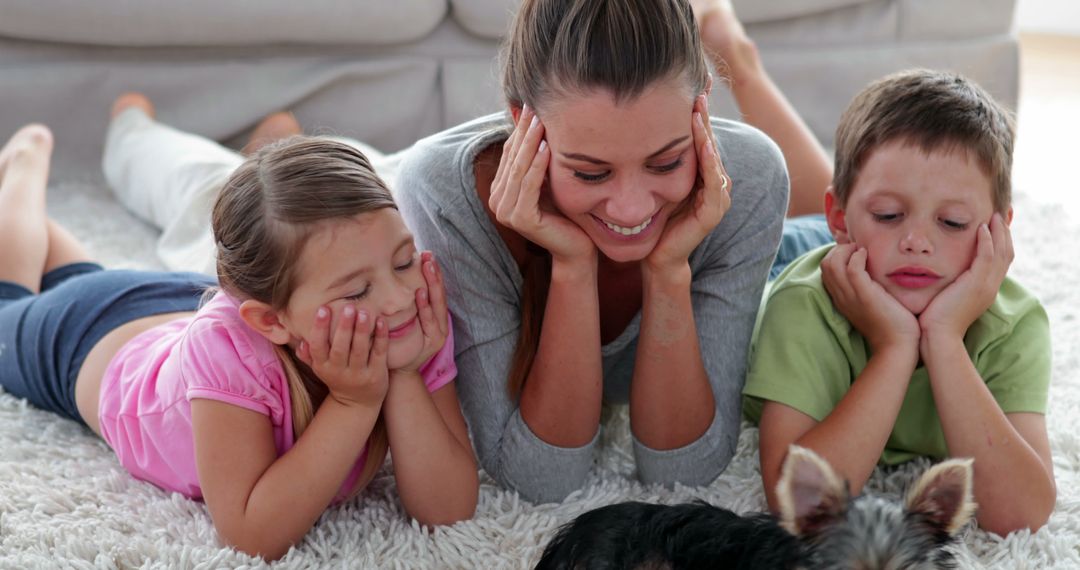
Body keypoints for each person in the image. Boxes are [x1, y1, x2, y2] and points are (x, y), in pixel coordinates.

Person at [100, 0, 834, 504]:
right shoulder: (448, 197)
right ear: (523, 124)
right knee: (201, 206)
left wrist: (668, 269)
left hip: (385, 190)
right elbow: (539, 477)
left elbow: (686, 466)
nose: (634, 208)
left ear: (703, 103)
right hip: (372, 223)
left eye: (666, 161)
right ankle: (135, 131)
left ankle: (280, 141)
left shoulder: (749, 177)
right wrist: (573, 264)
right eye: (589, 172)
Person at [0, 120, 478, 560]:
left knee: (79, 276)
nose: (399, 297)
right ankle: (27, 163)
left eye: (403, 260)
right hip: (88, 338)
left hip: (177, 308)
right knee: (10, 302)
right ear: (272, 322)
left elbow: (448, 509)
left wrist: (406, 374)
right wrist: (353, 404)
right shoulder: (229, 350)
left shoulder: (408, 319)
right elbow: (252, 534)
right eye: (357, 290)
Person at [742, 69, 1056, 535]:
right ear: (842, 218)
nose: (917, 241)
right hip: (805, 257)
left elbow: (1020, 515)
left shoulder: (1015, 324)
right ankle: (739, 60)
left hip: (867, 252)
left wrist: (944, 339)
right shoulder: (802, 304)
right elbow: (797, 502)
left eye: (951, 222)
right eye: (889, 214)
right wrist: (895, 347)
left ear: (998, 230)